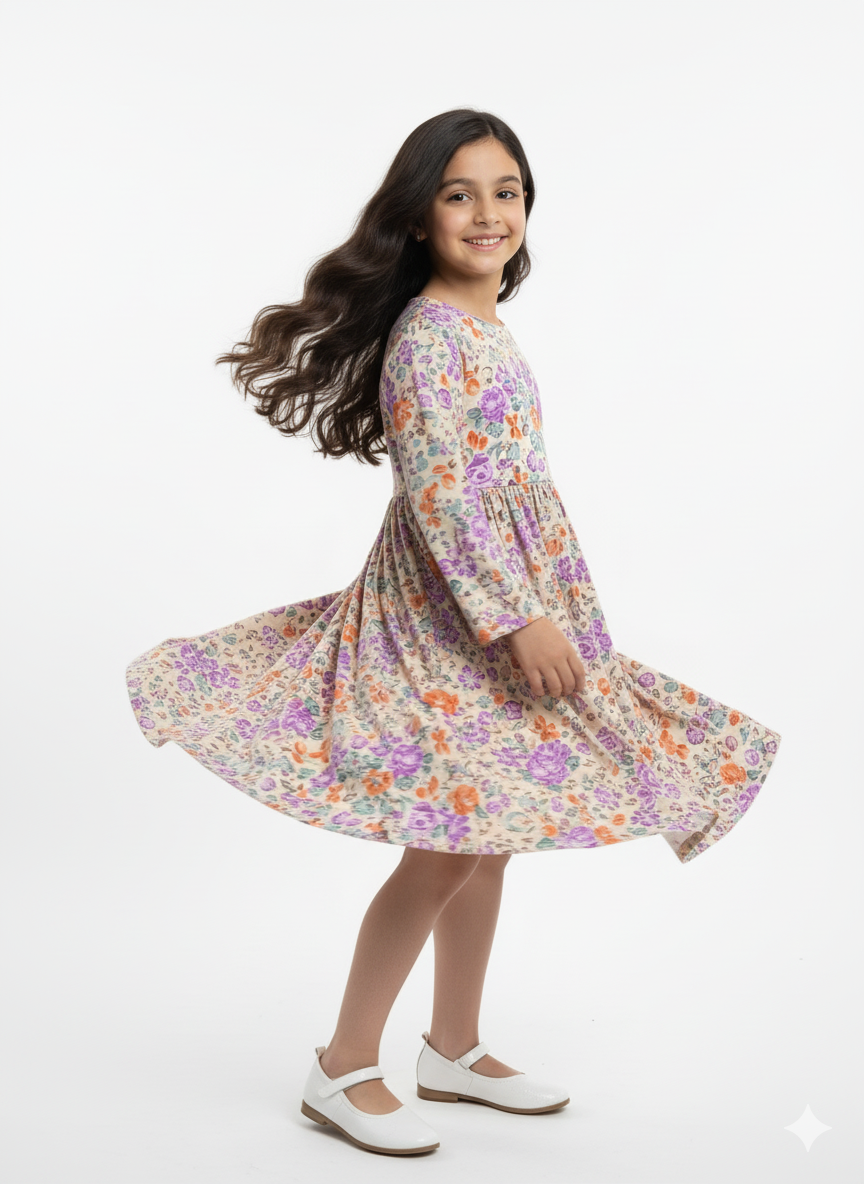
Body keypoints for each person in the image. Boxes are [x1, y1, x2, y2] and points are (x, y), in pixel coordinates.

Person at [125, 108, 783, 1157]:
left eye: (506, 191)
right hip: (446, 621)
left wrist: (548, 602)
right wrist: (516, 617)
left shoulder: (485, 328)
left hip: (508, 603)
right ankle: (344, 1063)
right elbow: (444, 497)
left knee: (491, 833)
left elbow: (506, 487)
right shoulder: (430, 337)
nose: (488, 213)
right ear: (419, 216)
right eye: (459, 193)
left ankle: (454, 1047)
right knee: (441, 846)